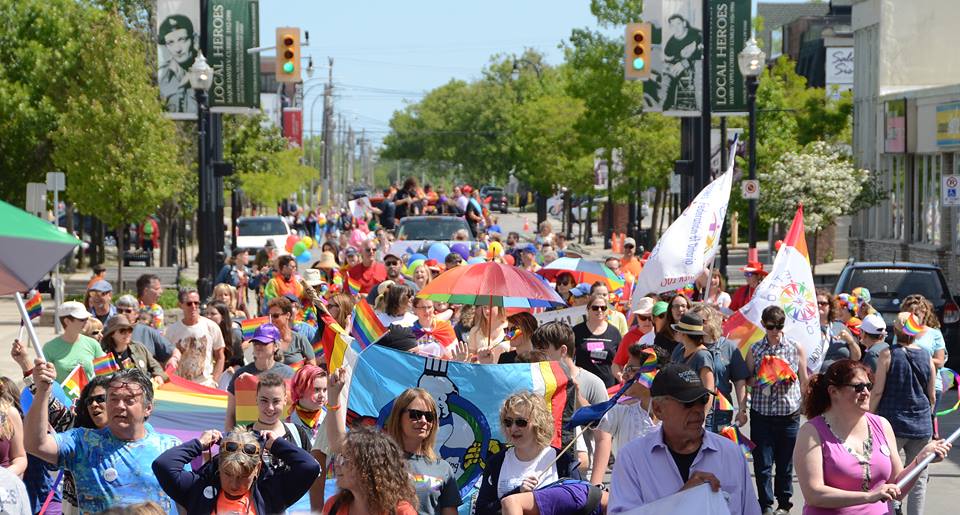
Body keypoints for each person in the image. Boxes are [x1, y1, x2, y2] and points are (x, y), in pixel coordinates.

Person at [794, 359, 952, 515]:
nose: (866, 392)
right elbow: (814, 494)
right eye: (858, 387)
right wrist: (868, 496)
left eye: (868, 386)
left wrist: (920, 460)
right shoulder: (811, 432)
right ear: (834, 391)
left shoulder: (882, 425)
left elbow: (897, 487)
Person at [607, 364, 760, 514]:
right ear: (658, 409)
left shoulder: (731, 453)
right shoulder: (632, 458)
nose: (698, 409)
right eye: (688, 403)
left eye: (703, 399)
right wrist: (682, 500)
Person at [25, 367, 181, 513]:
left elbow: (187, 504)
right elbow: (35, 444)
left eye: (129, 400)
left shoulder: (170, 448)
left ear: (148, 408)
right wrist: (43, 392)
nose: (120, 406)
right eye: (113, 399)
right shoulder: (83, 442)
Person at [153, 426, 319, 514]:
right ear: (219, 465)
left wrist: (275, 444)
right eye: (228, 474)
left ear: (257, 469)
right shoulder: (197, 488)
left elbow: (310, 467)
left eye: (243, 476)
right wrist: (199, 444)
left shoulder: (271, 493)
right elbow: (163, 465)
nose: (234, 483)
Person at [475, 391, 583, 515]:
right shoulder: (496, 463)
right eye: (508, 422)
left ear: (539, 423)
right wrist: (518, 493)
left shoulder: (562, 461)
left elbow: (580, 504)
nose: (513, 428)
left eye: (521, 422)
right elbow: (482, 511)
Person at [870, 312, 936, 515]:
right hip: (921, 425)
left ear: (896, 331)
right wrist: (927, 416)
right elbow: (932, 395)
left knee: (887, 475)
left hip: (892, 424)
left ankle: (890, 509)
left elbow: (878, 390)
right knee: (918, 478)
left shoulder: (888, 354)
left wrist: (869, 416)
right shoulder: (926, 356)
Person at [747, 305, 809, 515]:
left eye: (779, 326)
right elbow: (747, 379)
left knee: (785, 463)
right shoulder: (755, 349)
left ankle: (784, 504)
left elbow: (804, 379)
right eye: (771, 326)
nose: (775, 331)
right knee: (762, 463)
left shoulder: (794, 347)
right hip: (761, 413)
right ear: (764, 325)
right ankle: (765, 504)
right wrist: (765, 377)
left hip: (788, 412)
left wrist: (804, 401)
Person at [530, 322, 610, 485]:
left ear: (563, 350)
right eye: (535, 349)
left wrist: (596, 484)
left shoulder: (593, 383)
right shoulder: (536, 380)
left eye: (543, 349)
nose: (537, 354)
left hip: (580, 477)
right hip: (541, 474)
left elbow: (603, 436)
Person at [323, 425, 419, 514]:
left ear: (368, 468)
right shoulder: (334, 506)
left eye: (345, 459)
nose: (337, 464)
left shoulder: (401, 511)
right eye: (338, 457)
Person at [690, 303, 750, 432]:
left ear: (712, 321)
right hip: (693, 409)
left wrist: (742, 409)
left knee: (718, 449)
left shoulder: (728, 347)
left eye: (701, 321)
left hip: (721, 413)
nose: (697, 325)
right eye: (694, 321)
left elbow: (740, 381)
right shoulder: (688, 345)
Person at [224, 324, 296, 430]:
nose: (258, 346)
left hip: (281, 436)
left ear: (276, 346)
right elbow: (230, 414)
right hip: (249, 439)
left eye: (264, 343)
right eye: (256, 342)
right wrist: (229, 438)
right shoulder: (240, 375)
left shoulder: (289, 374)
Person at [597, 345, 662, 456]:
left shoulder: (673, 414)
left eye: (630, 369)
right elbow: (594, 417)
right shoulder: (622, 408)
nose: (624, 376)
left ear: (650, 374)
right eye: (625, 368)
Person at [164, 288, 225, 387]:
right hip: (180, 385)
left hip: (205, 384)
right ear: (180, 305)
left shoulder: (211, 326)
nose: (193, 307)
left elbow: (220, 356)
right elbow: (165, 358)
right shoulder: (172, 331)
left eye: (196, 303)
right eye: (189, 303)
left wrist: (215, 381)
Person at [901, 295, 947, 412]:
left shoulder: (934, 333)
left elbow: (940, 362)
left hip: (930, 385)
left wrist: (917, 358)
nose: (913, 318)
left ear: (924, 313)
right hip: (907, 384)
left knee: (928, 423)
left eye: (916, 314)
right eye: (909, 314)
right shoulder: (902, 332)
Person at [42, 301, 106, 382]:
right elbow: (45, 379)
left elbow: (105, 376)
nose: (86, 322)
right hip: (59, 395)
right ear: (67, 321)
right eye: (82, 319)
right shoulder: (49, 348)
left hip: (88, 394)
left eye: (86, 318)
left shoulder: (93, 344)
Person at [100, 316, 168, 386]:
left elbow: (156, 367)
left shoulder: (139, 348)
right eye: (122, 331)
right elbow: (101, 381)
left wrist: (159, 376)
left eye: (129, 330)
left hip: (141, 392)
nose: (127, 334)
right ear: (112, 334)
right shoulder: (103, 353)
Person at [573, 293, 622, 388]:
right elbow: (569, 358)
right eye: (595, 308)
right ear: (588, 309)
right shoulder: (577, 331)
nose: (599, 310)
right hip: (584, 385)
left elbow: (620, 361)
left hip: (608, 387)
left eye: (603, 308)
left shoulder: (614, 332)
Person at [669, 312, 716, 401]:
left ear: (683, 334)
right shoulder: (679, 350)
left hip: (695, 412)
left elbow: (709, 391)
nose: (676, 332)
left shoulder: (703, 356)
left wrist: (702, 414)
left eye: (678, 330)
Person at [661, 13, 703, 111]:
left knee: (699, 67)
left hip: (697, 62)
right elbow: (670, 59)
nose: (676, 28)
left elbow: (705, 52)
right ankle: (665, 104)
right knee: (667, 72)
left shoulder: (696, 34)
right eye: (673, 25)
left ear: (684, 23)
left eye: (678, 24)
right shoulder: (670, 45)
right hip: (682, 66)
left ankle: (701, 107)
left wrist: (686, 62)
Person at [157, 14, 198, 113]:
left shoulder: (208, 71)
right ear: (166, 46)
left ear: (193, 39)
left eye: (182, 39)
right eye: (171, 42)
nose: (178, 49)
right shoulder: (162, 77)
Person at [115, 295, 173, 364]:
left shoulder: (147, 331)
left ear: (136, 314)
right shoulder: (109, 332)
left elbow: (172, 351)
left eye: (128, 311)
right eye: (120, 310)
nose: (123, 313)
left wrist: (173, 359)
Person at [612, 297, 656, 379]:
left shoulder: (660, 334)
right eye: (643, 318)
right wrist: (622, 379)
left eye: (650, 318)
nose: (647, 321)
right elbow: (616, 365)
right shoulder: (629, 337)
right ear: (637, 317)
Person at [818, 290, 862, 372]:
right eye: (817, 303)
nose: (819, 305)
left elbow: (856, 358)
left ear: (830, 306)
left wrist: (851, 342)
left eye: (823, 303)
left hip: (842, 377)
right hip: (819, 377)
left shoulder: (841, 327)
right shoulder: (808, 329)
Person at [266, 296, 316, 367]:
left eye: (276, 316)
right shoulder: (266, 340)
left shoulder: (300, 339)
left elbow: (313, 366)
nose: (272, 319)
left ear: (287, 315)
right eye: (270, 316)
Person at [289, 365, 328, 442]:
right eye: (316, 389)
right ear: (299, 390)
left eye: (325, 390)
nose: (322, 395)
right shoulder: (288, 424)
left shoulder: (330, 420)